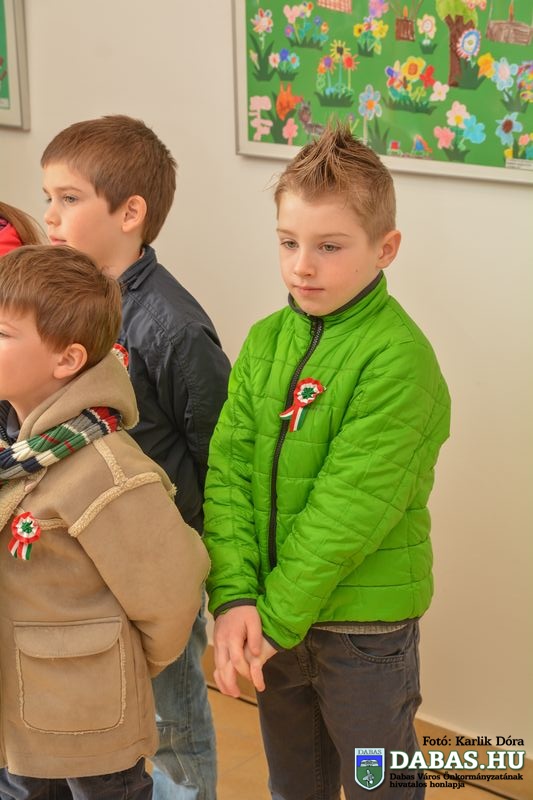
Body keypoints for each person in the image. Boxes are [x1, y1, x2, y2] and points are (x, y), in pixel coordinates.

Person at [203, 125, 451, 800]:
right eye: (288, 243)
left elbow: (347, 514)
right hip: (273, 617)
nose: (301, 266)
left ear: (385, 248)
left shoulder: (399, 361)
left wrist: (269, 622)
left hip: (361, 636)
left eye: (329, 247)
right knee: (294, 785)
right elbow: (227, 477)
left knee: (379, 787)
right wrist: (234, 597)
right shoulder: (264, 341)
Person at [40, 115, 230, 800]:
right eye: (47, 197)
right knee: (92, 716)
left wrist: (200, 567)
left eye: (68, 198)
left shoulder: (172, 326)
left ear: (130, 214)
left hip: (150, 565)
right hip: (81, 561)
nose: (49, 216)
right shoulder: (62, 306)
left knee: (169, 721)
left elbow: (219, 453)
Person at [0, 245, 210, 799]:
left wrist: (108, 667)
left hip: (91, 724)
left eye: (2, 333)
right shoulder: (15, 451)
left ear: (66, 360)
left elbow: (173, 594)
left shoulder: (107, 471)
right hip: (24, 714)